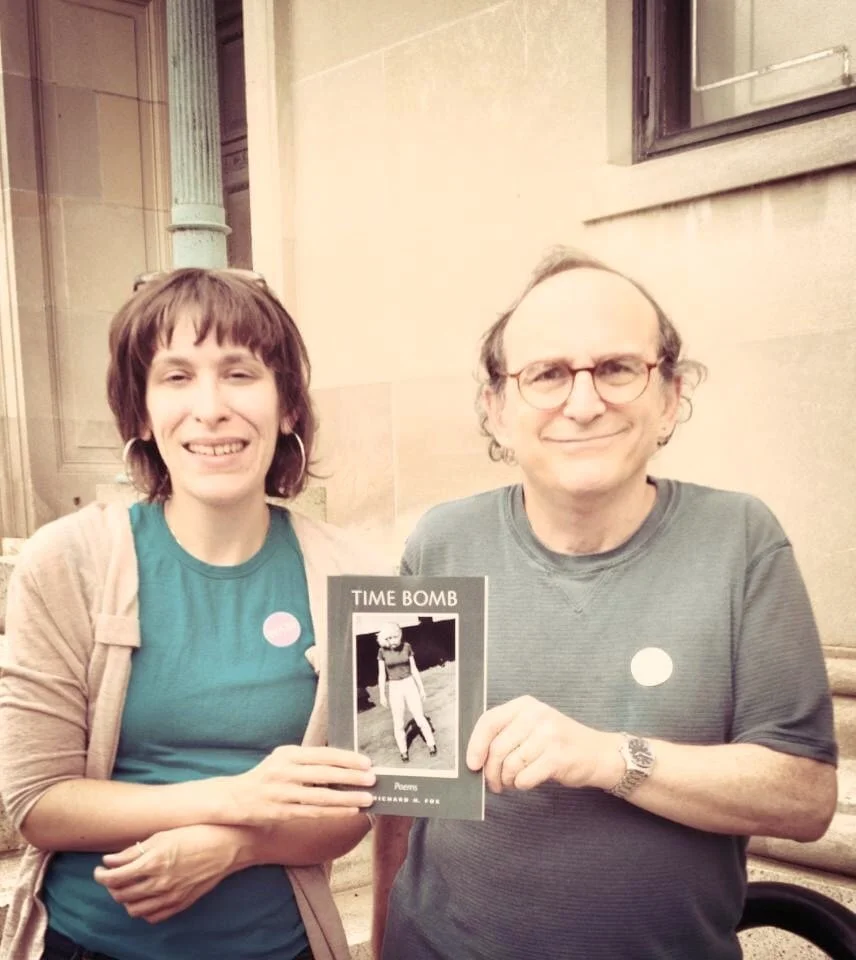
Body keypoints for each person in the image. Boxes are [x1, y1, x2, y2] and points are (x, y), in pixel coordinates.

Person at [372, 248, 838, 960]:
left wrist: (606, 757)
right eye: (548, 374)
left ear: (670, 395)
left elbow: (804, 799)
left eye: (618, 368)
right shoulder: (443, 541)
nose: (584, 403)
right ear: (496, 408)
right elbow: (403, 797)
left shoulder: (740, 540)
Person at [0, 268, 384, 960]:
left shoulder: (357, 575)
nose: (210, 408)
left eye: (240, 373)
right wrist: (239, 798)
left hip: (281, 948)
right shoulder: (66, 562)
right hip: (89, 945)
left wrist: (229, 849)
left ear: (288, 406)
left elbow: (357, 810)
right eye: (176, 377)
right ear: (141, 414)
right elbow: (36, 802)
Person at [375, 622, 437, 762]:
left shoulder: (407, 647)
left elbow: (414, 669)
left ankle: (431, 744)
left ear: (399, 635)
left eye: (394, 637)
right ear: (384, 639)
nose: (392, 641)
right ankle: (403, 751)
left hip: (409, 684)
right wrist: (382, 694)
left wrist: (421, 688)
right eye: (388, 638)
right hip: (394, 687)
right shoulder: (382, 651)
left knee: (419, 717)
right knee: (398, 722)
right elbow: (381, 675)